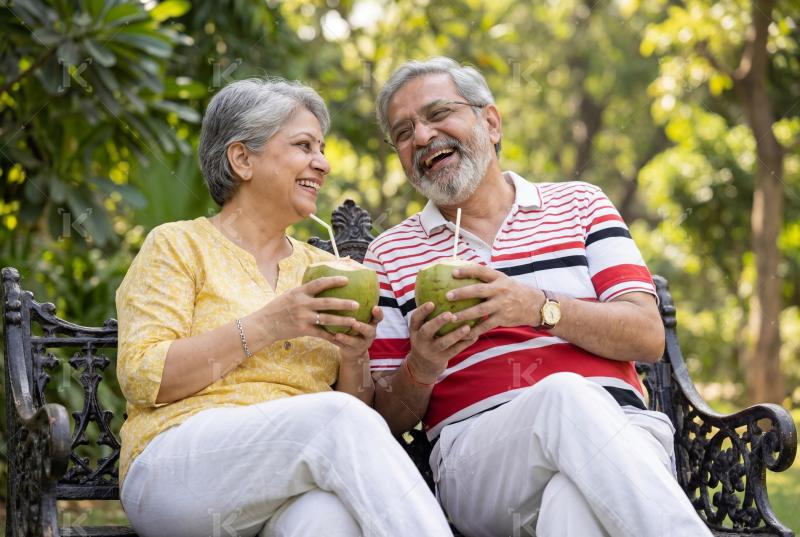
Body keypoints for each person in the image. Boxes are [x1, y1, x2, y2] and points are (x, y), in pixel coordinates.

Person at [365, 57, 713, 537]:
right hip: (480, 462)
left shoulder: (582, 205)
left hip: (625, 438)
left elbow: (647, 335)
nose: (422, 137)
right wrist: (422, 364)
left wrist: (538, 307)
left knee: (570, 506)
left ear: (490, 122)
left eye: (438, 113)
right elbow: (384, 414)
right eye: (403, 132)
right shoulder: (390, 254)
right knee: (564, 395)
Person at [116, 78, 453, 537]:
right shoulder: (178, 246)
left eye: (322, 147)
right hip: (177, 470)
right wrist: (271, 322)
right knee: (335, 421)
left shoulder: (326, 268)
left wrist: (354, 354)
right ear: (242, 159)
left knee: (329, 522)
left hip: (290, 480)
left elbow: (358, 414)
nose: (324, 163)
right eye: (303, 145)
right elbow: (145, 376)